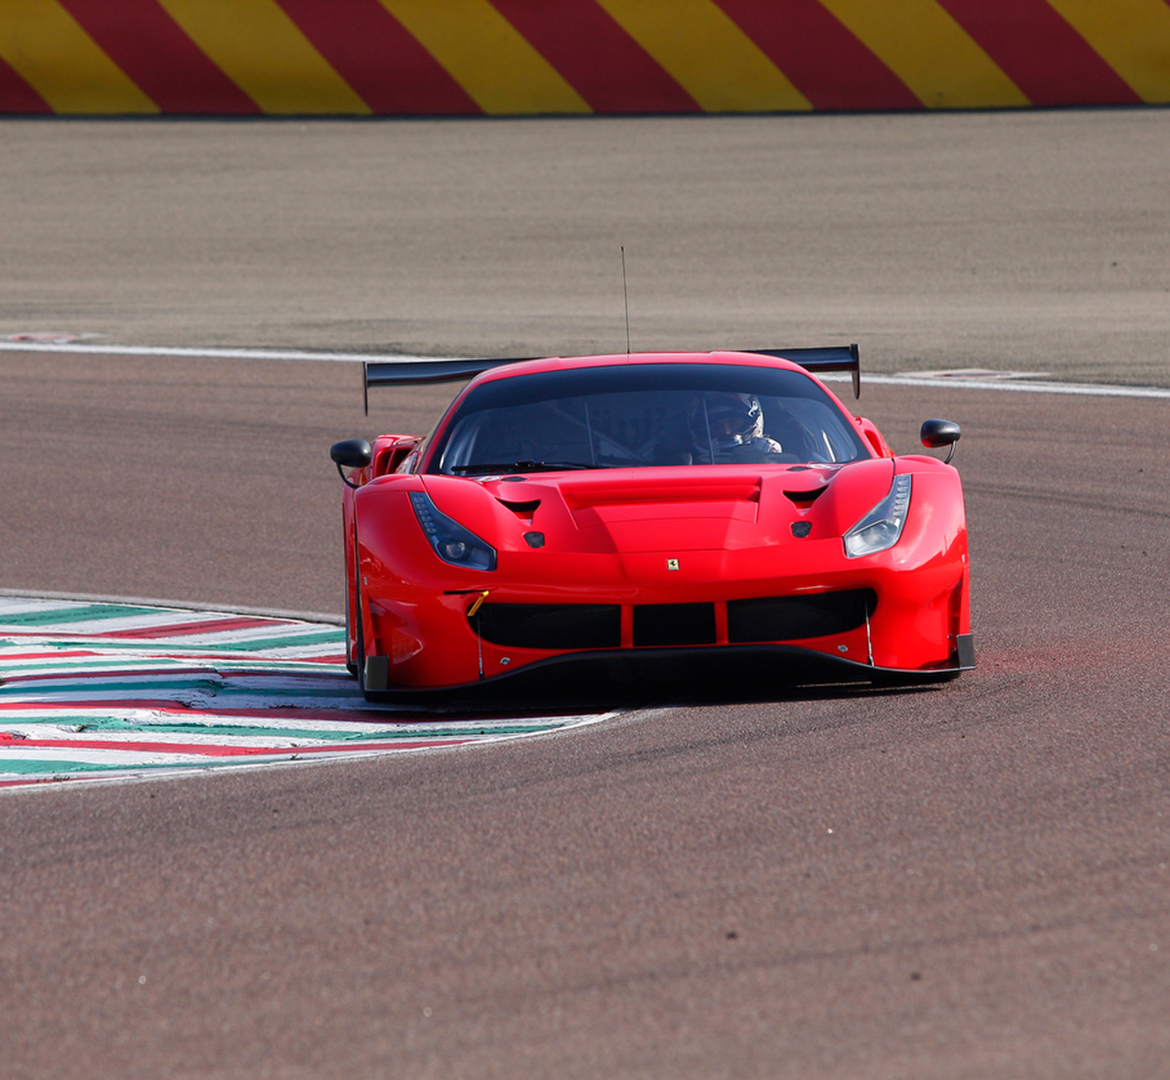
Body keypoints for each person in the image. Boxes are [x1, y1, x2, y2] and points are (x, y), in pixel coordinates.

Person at [691, 392, 786, 463]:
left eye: (734, 424)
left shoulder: (768, 452)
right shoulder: (687, 463)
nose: (727, 432)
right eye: (716, 427)